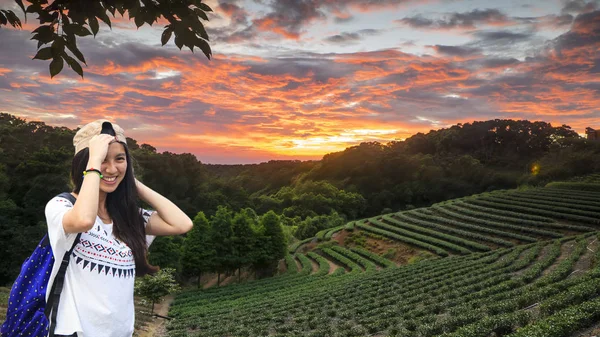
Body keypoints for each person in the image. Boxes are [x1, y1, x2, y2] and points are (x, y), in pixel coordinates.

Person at [45, 120, 193, 337]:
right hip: (74, 331)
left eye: (119, 159)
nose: (111, 168)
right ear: (84, 164)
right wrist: (94, 161)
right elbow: (85, 220)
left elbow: (182, 224)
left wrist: (129, 181)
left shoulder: (129, 218)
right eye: (102, 160)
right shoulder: (62, 206)